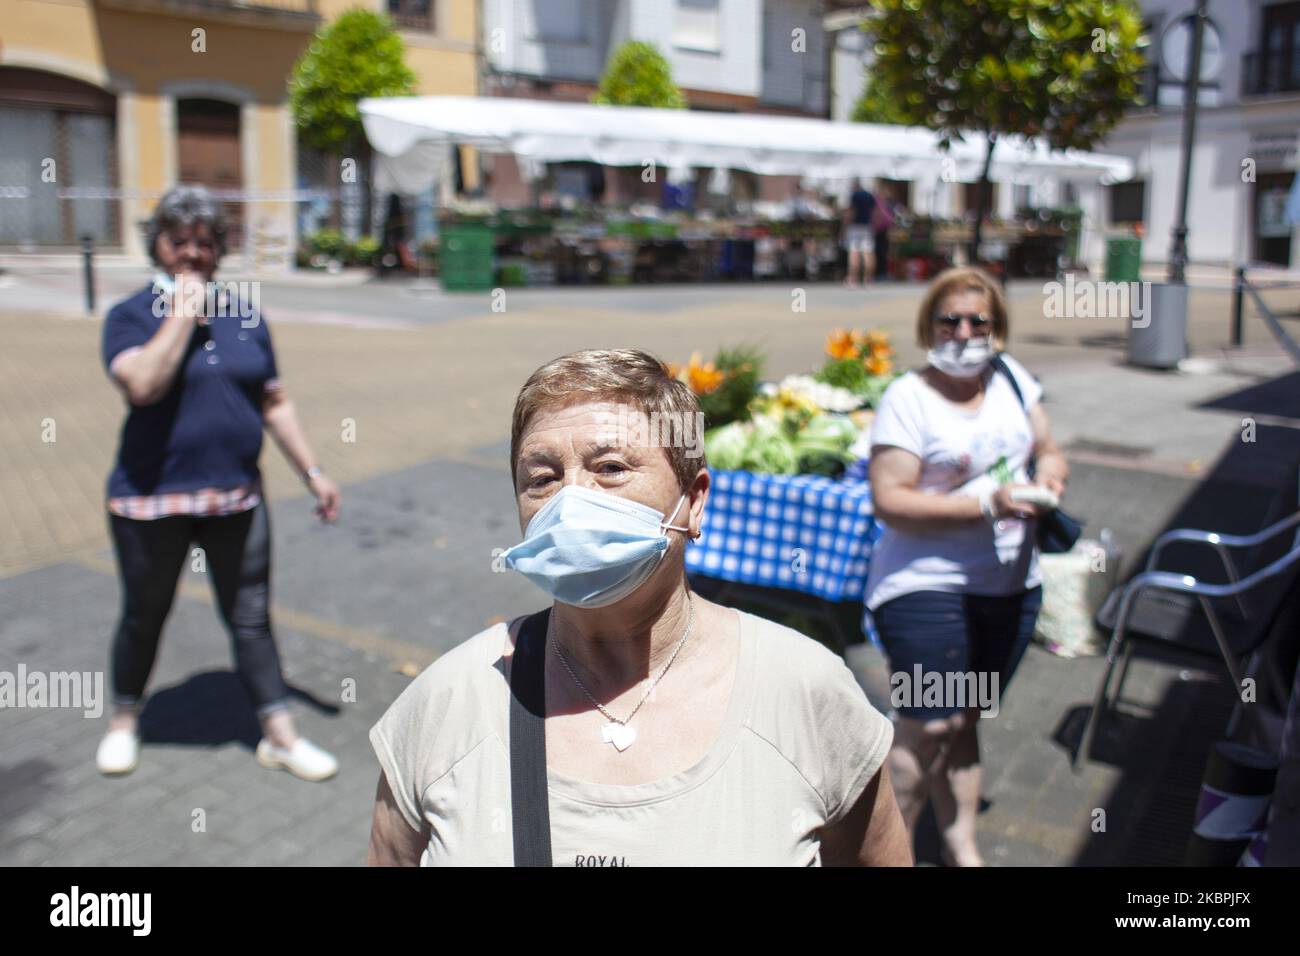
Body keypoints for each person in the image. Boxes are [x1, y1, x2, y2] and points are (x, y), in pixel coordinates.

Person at [366, 349, 911, 866]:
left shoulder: (807, 691)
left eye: (610, 467)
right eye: (542, 478)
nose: (569, 500)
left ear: (693, 501)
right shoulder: (444, 703)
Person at [95, 185, 342, 782]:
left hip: (236, 499)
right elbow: (143, 386)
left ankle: (280, 734)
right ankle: (125, 721)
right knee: (144, 615)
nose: (192, 253)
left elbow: (273, 400)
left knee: (251, 616)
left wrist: (312, 472)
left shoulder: (245, 314)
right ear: (157, 245)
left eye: (204, 243)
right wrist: (183, 311)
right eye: (178, 241)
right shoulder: (128, 316)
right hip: (150, 504)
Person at [863, 266, 1069, 866]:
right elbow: (889, 499)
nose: (964, 332)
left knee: (966, 715)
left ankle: (961, 845)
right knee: (928, 723)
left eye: (979, 321)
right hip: (924, 584)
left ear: (998, 329)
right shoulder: (908, 397)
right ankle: (886, 852)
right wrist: (987, 503)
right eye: (949, 319)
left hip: (1009, 587)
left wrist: (1052, 474)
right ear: (928, 326)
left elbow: (1048, 446)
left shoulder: (1011, 379)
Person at [842, 178, 877, 288]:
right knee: (868, 252)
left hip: (855, 227)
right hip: (867, 226)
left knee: (854, 252)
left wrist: (844, 226)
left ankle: (853, 278)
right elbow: (876, 212)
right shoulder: (869, 195)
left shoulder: (855, 196)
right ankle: (868, 279)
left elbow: (851, 212)